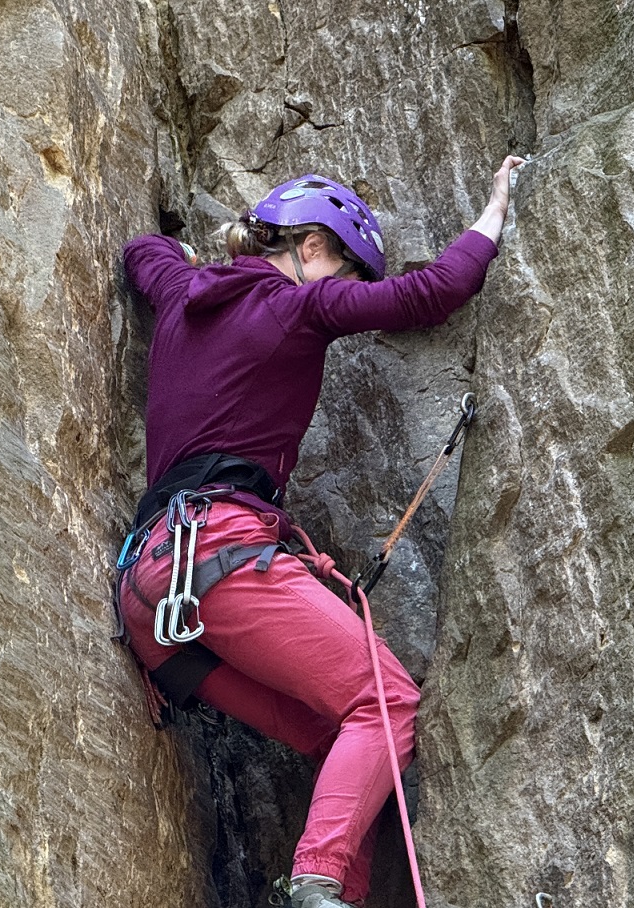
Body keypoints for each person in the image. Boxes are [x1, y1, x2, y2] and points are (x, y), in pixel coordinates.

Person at [117, 155, 525, 908]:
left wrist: (187, 255)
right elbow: (433, 292)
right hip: (217, 557)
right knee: (387, 702)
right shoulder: (293, 307)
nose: (344, 290)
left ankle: (337, 895)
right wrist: (495, 210)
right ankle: (318, 882)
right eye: (341, 268)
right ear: (310, 248)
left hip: (152, 599)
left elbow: (145, 253)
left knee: (339, 735)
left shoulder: (182, 296)